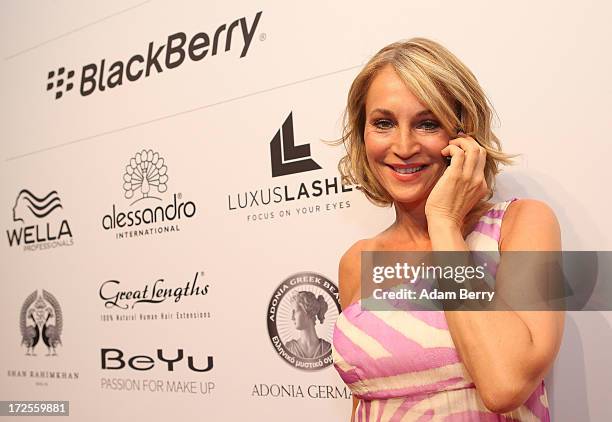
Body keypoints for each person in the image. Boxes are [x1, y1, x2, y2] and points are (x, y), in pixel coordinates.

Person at [330, 37, 564, 421]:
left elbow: (505, 384)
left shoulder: (521, 226)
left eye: (427, 123)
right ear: (363, 133)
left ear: (463, 135)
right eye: (384, 123)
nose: (403, 146)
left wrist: (444, 225)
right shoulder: (358, 260)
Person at [285, 291, 332, 359]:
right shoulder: (289, 348)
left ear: (308, 311)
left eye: (296, 311)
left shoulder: (327, 348)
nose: (292, 317)